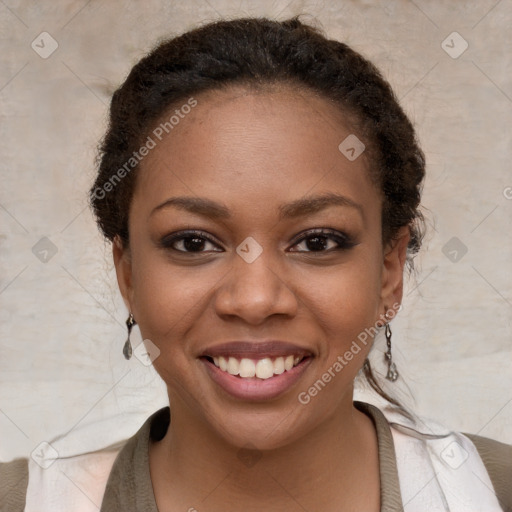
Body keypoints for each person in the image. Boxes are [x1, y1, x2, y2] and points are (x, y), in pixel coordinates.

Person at [1, 15, 510, 512]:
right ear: (128, 274)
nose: (254, 299)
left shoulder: (495, 490)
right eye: (194, 243)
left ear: (388, 271)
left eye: (316, 242)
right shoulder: (26, 501)